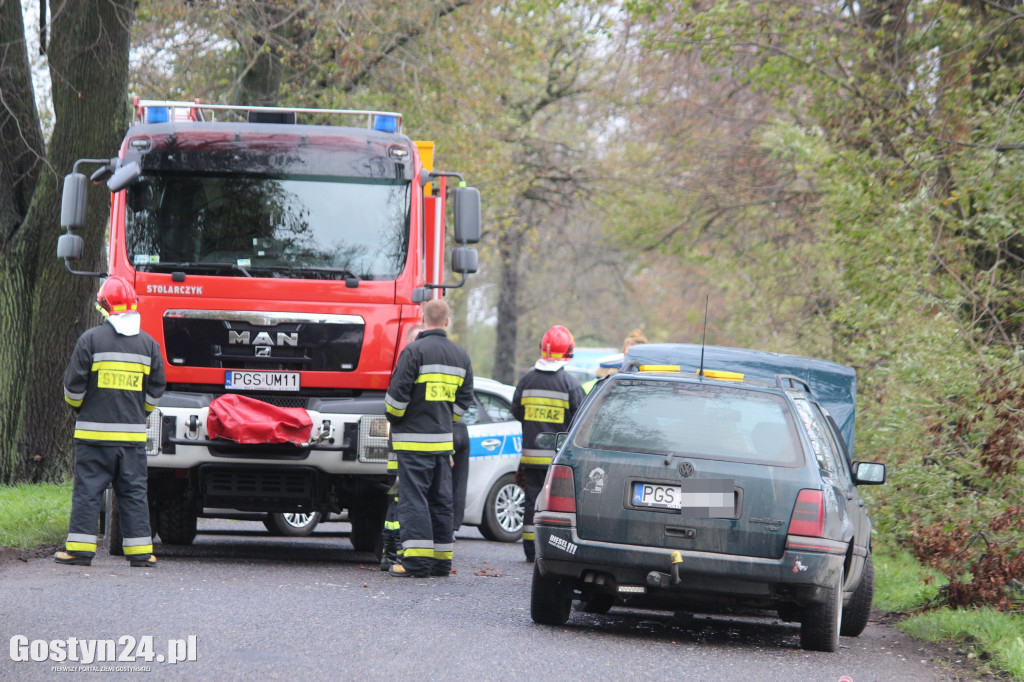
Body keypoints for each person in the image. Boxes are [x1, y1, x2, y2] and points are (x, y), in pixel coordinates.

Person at [56, 276, 166, 567]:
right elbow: (156, 390)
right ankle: (141, 553)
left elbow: (72, 389)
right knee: (133, 493)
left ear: (104, 307)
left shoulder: (90, 340)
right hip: (131, 440)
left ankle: (79, 551)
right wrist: (139, 411)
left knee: (88, 492)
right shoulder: (149, 345)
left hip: (93, 438)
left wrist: (82, 409)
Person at [384, 299, 474, 577]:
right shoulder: (461, 356)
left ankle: (417, 563)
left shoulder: (413, 352)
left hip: (412, 443)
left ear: (423, 320)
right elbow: (464, 400)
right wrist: (446, 420)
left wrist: (398, 418)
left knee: (414, 500)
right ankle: (441, 562)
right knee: (440, 501)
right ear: (447, 322)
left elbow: (394, 401)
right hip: (443, 443)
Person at [512, 325, 586, 561]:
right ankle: (553, 551)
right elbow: (580, 420)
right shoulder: (570, 384)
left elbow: (516, 411)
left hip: (531, 458)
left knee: (532, 502)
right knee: (557, 507)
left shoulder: (526, 380)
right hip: (558, 460)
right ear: (568, 351)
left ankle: (530, 552)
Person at [380, 323, 422, 571]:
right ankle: (391, 552)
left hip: (404, 450)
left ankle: (391, 553)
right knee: (397, 503)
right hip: (401, 452)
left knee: (399, 503)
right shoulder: (406, 368)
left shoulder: (409, 366)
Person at [581, 329, 649, 394]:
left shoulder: (652, 382)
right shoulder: (616, 382)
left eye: (637, 355)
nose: (633, 360)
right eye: (628, 355)